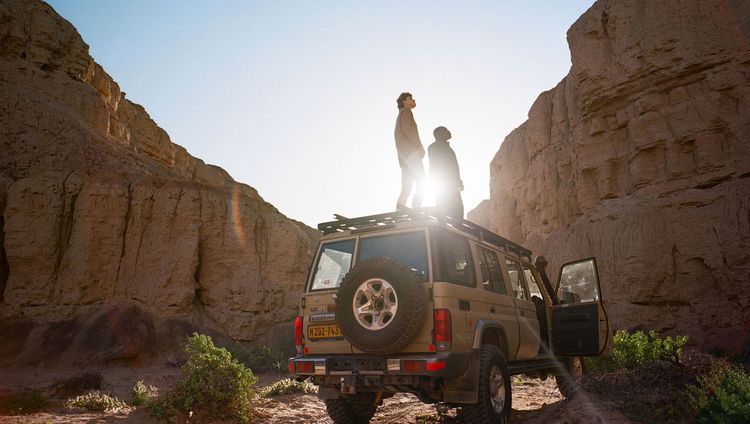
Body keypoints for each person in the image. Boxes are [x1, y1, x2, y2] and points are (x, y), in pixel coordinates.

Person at [394, 92, 426, 210]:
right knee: (421, 182)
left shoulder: (399, 116)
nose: (413, 100)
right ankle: (416, 209)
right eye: (410, 98)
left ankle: (400, 210)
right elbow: (408, 129)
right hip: (411, 153)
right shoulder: (406, 111)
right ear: (404, 102)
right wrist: (419, 146)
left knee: (407, 186)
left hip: (404, 157)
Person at [428, 126, 464, 219]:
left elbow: (454, 167)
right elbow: (435, 166)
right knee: (444, 213)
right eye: (446, 130)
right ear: (439, 134)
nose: (449, 131)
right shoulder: (434, 147)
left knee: (458, 214)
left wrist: (459, 182)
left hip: (453, 186)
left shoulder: (448, 148)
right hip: (444, 186)